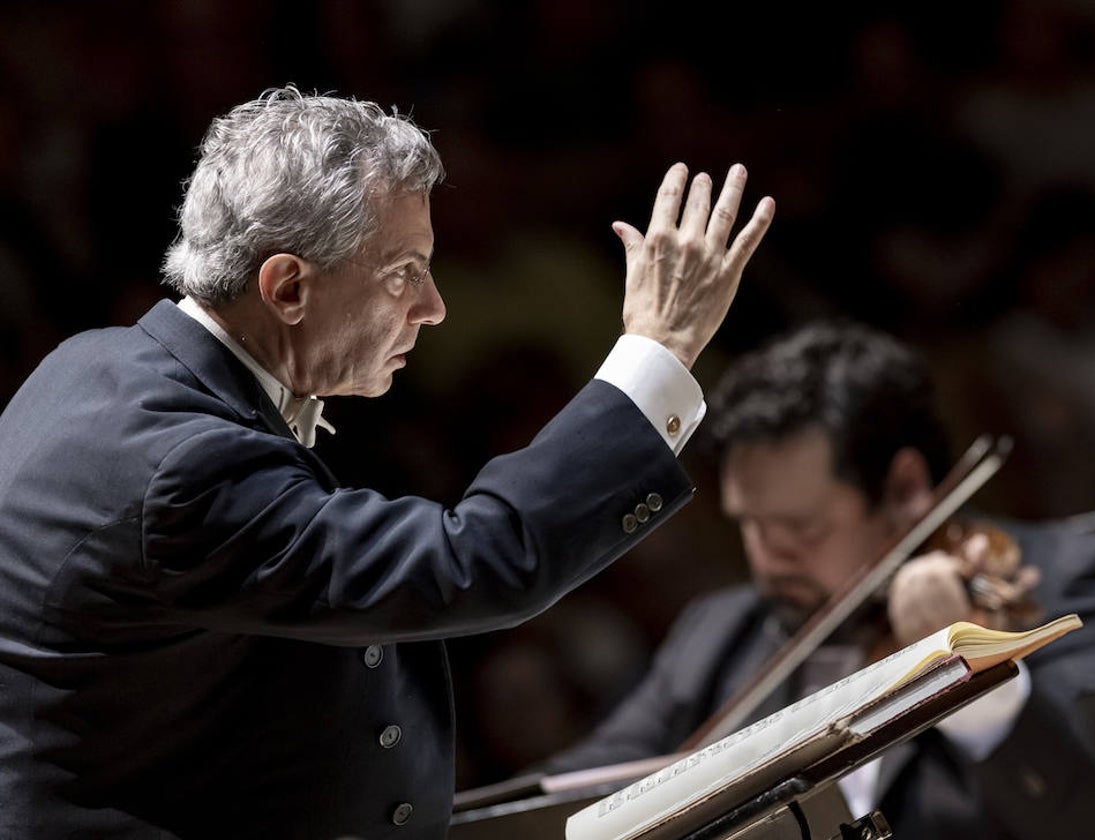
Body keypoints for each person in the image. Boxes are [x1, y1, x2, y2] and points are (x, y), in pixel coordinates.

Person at [0, 86, 775, 839]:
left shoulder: (91, 363)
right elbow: (480, 558)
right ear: (288, 286)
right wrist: (660, 350)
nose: (433, 306)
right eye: (404, 271)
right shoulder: (183, 468)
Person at [541, 319, 1095, 840]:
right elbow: (568, 801)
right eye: (749, 525)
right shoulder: (723, 630)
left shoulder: (1078, 582)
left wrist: (985, 691)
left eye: (802, 528)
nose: (769, 560)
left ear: (903, 488)